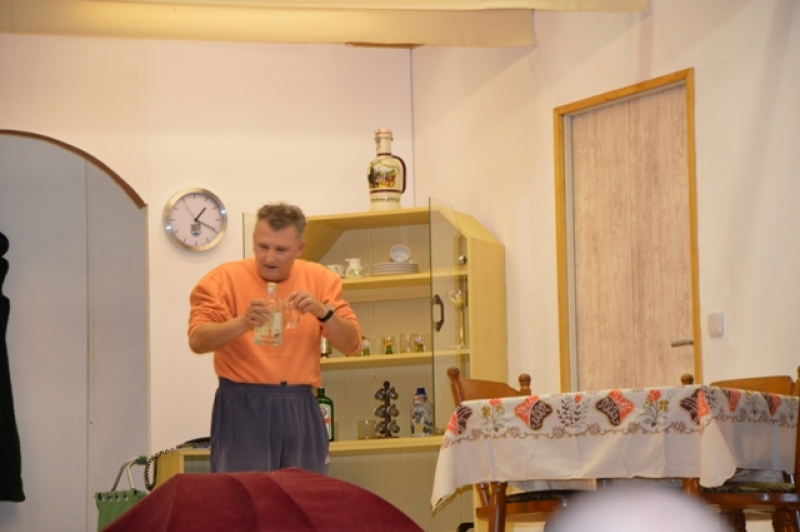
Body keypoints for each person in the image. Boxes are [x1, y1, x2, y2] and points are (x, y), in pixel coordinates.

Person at [188, 202, 362, 474]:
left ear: (300, 248)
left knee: (305, 495)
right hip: (242, 405)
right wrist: (243, 323)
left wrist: (323, 312)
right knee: (244, 495)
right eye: (262, 246)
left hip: (300, 404)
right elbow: (198, 341)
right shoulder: (223, 279)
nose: (269, 257)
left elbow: (352, 344)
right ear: (254, 240)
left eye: (281, 250)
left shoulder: (321, 279)